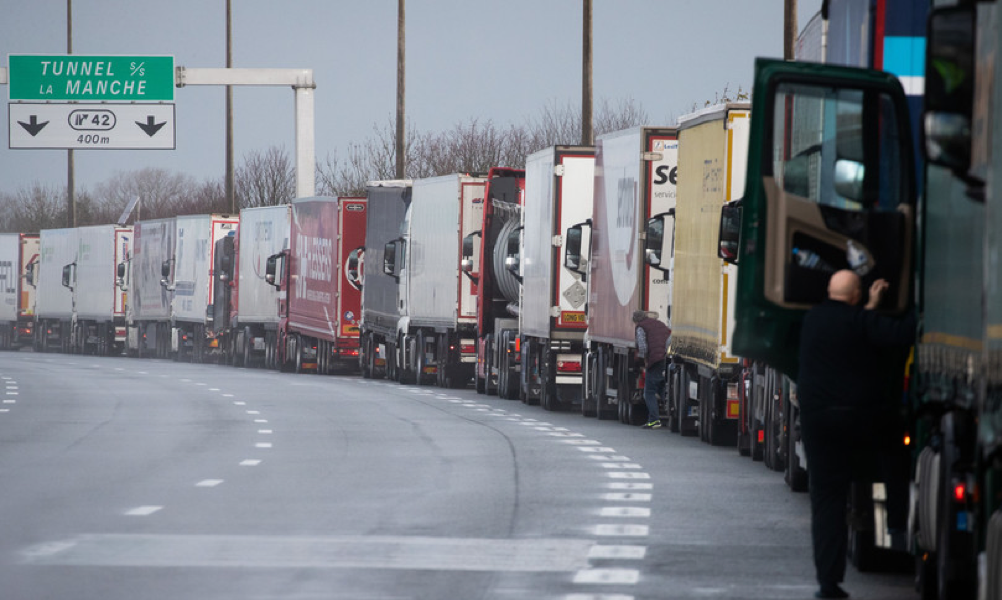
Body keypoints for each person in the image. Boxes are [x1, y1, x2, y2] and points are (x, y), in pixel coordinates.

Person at [797, 270, 915, 599]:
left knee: (827, 502)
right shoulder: (861, 321)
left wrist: (867, 310)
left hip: (818, 423)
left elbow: (847, 326)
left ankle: (828, 584)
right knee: (895, 445)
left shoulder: (812, 321)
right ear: (857, 294)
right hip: (859, 420)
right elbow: (901, 334)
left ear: (829, 291)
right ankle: (896, 521)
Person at [633, 310, 671, 429]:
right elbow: (669, 339)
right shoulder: (660, 324)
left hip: (654, 361)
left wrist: (643, 360)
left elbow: (643, 347)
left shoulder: (641, 327)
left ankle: (654, 420)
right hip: (665, 359)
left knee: (649, 392)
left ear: (636, 320)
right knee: (662, 389)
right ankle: (672, 414)